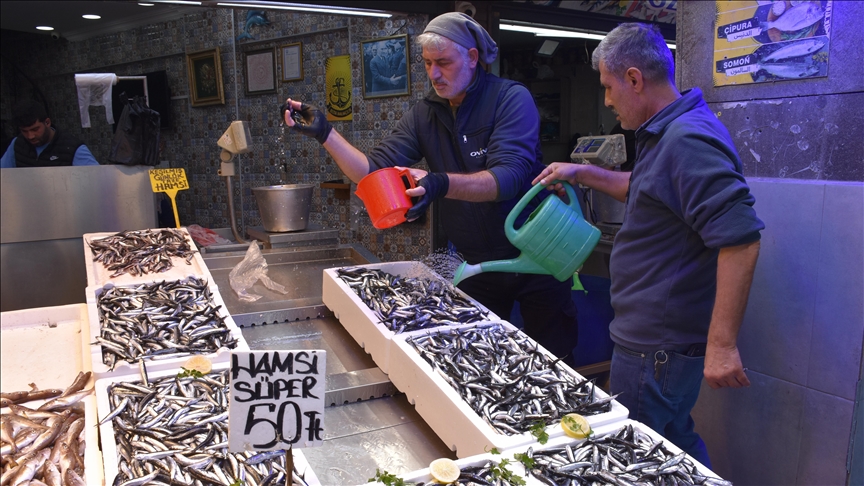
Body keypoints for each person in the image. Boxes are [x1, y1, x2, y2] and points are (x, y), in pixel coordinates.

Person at [282, 12, 579, 364]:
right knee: (476, 360)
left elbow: (507, 178)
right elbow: (370, 172)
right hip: (480, 265)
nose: (434, 74)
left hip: (537, 258)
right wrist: (326, 135)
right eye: (426, 64)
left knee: (550, 362)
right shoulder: (425, 114)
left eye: (443, 63)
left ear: (472, 58)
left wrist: (439, 183)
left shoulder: (510, 99)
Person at [533, 23, 764, 467]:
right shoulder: (668, 131)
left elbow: (741, 239)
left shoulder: (687, 140)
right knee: (672, 444)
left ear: (634, 78)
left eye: (608, 86)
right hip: (651, 342)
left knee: (639, 459)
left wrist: (722, 345)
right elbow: (644, 187)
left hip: (657, 347)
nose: (606, 100)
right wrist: (579, 172)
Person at [1, 100, 99, 168]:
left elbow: (96, 180)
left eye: (35, 129)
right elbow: (4, 176)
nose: (30, 136)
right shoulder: (17, 144)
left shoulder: (73, 148)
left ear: (47, 122)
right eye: (24, 131)